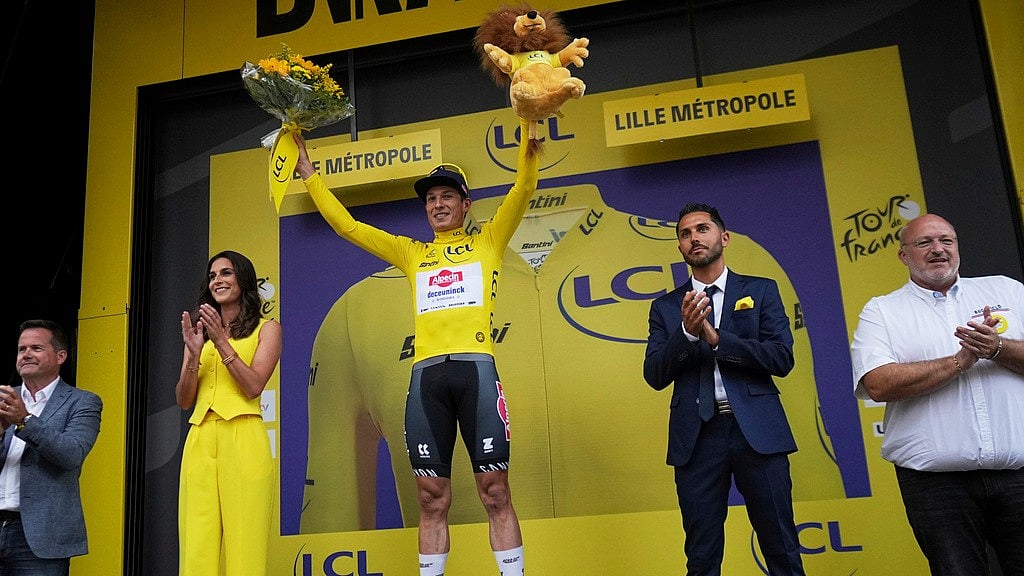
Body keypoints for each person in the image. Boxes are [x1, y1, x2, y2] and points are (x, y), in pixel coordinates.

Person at [292, 118, 538, 576]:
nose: (438, 204)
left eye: (447, 196)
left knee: (495, 491)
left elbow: (523, 188)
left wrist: (529, 135)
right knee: (430, 497)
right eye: (430, 199)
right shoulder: (412, 253)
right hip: (426, 379)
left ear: (466, 204)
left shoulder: (489, 241)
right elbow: (348, 227)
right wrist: (310, 174)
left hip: (476, 374)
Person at [851, 213, 1024, 575]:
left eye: (947, 240)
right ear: (903, 256)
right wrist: (962, 360)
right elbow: (878, 384)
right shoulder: (883, 310)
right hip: (936, 485)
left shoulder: (1007, 291)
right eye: (924, 242)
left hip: (1017, 473)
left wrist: (997, 349)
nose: (938, 250)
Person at [643, 203, 805, 575]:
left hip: (758, 435)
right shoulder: (667, 308)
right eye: (685, 234)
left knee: (781, 547)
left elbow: (781, 358)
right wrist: (685, 333)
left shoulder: (761, 291)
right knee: (701, 557)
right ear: (680, 248)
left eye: (702, 229)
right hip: (697, 439)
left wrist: (717, 340)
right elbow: (654, 375)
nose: (694, 238)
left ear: (724, 237)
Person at [175, 250, 281, 576]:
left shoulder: (268, 329)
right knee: (196, 549)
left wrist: (222, 342)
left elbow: (253, 387)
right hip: (200, 439)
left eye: (226, 273)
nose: (218, 280)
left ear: (243, 280)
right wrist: (193, 356)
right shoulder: (198, 335)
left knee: (245, 551)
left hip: (244, 436)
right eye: (213, 276)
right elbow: (183, 399)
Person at [0, 318, 103, 575]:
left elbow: (71, 454)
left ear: (60, 356)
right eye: (22, 349)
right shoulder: (4, 398)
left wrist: (24, 421)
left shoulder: (82, 402)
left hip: (40, 536)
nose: (26, 354)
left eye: (36, 348)